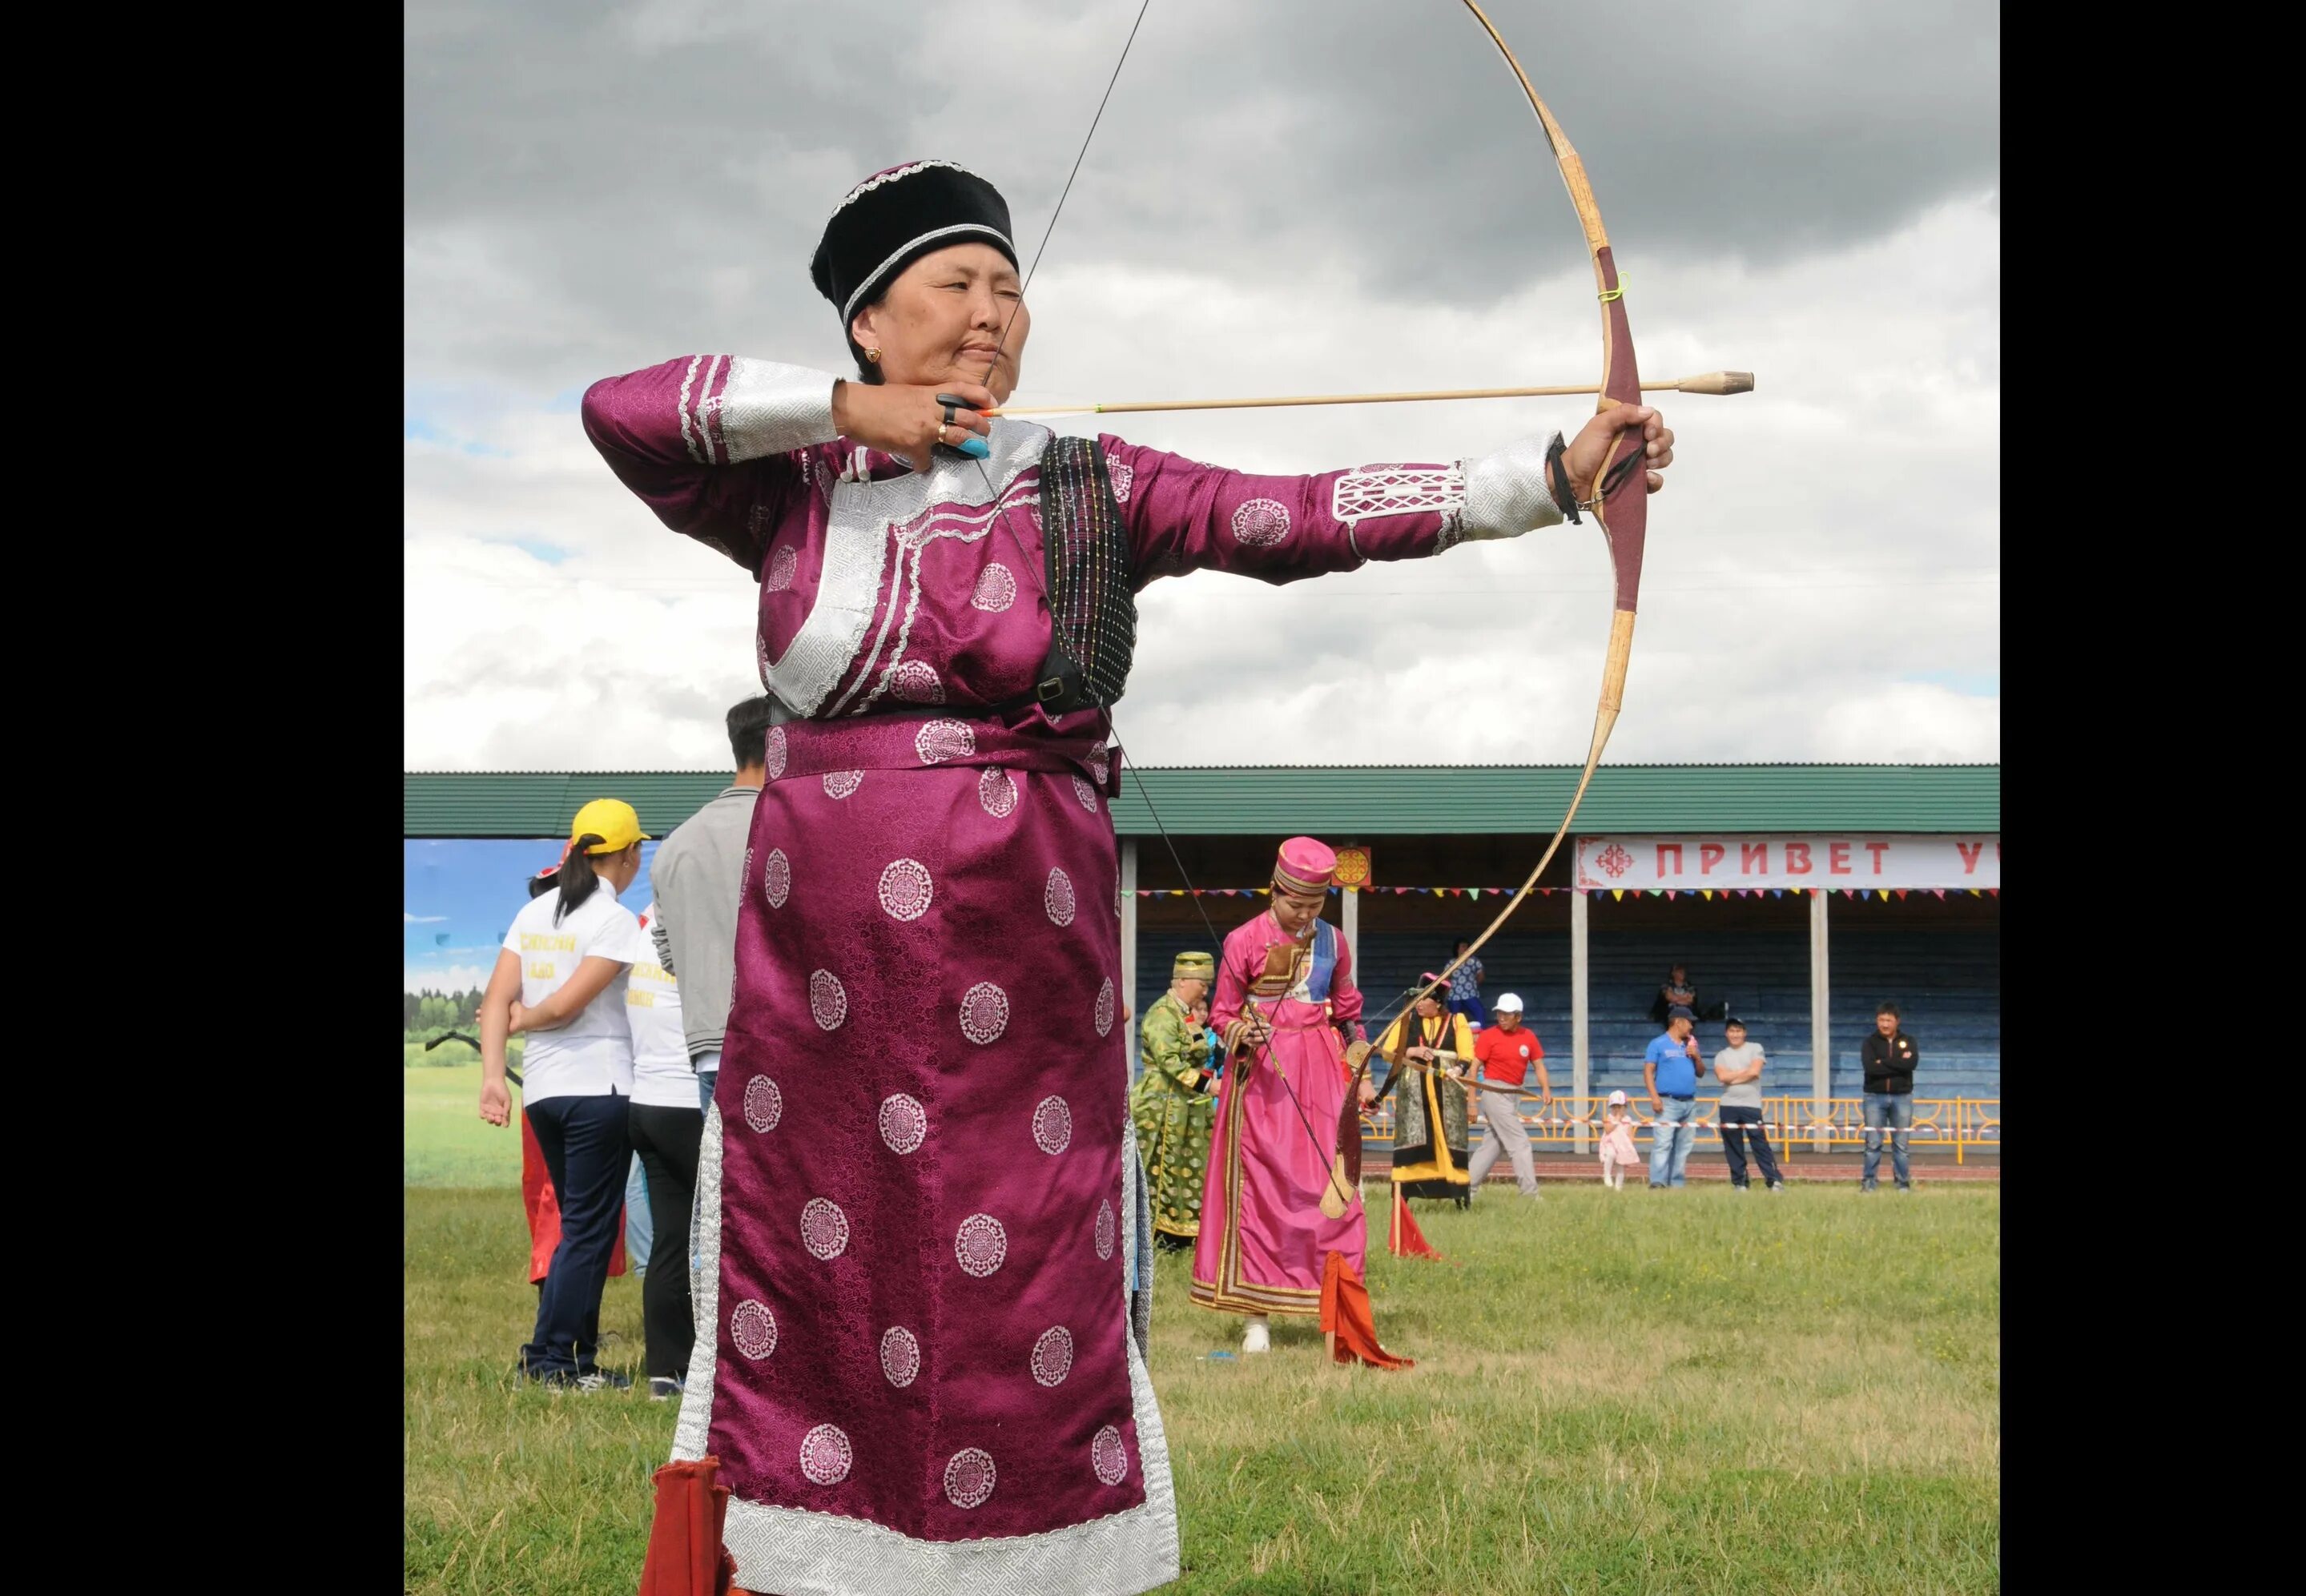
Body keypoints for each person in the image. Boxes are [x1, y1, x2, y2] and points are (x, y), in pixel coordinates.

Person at [584, 159, 1675, 1591]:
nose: (993, 314)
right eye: (954, 287)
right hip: (824, 994)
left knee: (1010, 1268)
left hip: (1015, 965)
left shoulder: (1088, 479)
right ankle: (815, 1560)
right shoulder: (787, 489)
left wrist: (1542, 479)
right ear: (865, 323)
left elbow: (1302, 511)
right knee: (830, 1264)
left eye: (1009, 287)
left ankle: (1030, 1560)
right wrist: (859, 417)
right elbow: (623, 410)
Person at [479, 799, 654, 1390]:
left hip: (545, 1094)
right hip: (598, 1088)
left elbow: (495, 1001)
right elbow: (563, 1004)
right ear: (628, 856)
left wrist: (492, 1076)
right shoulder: (613, 920)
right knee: (588, 1229)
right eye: (637, 852)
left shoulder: (533, 911)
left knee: (584, 1227)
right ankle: (553, 1359)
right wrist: (527, 1017)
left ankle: (570, 1358)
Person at [1194, 839, 1370, 1353]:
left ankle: (1339, 1308)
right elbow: (1222, 1014)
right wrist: (1238, 1033)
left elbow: (1346, 1009)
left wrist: (1359, 1046)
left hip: (1319, 1072)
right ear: (1276, 891)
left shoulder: (1334, 943)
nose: (1306, 915)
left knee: (1331, 1188)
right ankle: (1256, 1317)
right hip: (1263, 1076)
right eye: (1297, 905)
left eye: (1316, 907)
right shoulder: (1243, 939)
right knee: (1263, 1191)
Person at [646, 696, 771, 1116]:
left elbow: (670, 956)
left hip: (710, 1052)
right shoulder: (797, 829)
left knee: (721, 1181)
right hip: (783, 1047)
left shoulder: (673, 846)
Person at [629, 906, 706, 1400]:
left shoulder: (646, 925)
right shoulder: (698, 919)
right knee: (728, 1236)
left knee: (670, 1242)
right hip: (685, 1101)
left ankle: (666, 1370)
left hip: (646, 1101)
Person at [1133, 952, 1219, 1250]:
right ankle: (1151, 1235)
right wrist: (1209, 1085)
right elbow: (1169, 1061)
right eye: (1202, 984)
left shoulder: (1187, 1015)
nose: (1206, 991)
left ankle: (1183, 1234)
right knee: (1156, 1167)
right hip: (1160, 1105)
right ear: (1182, 981)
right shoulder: (1162, 1014)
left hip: (1188, 1107)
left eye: (1208, 985)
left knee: (1190, 1167)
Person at [1371, 975, 1477, 1208]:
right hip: (1414, 1095)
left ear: (1438, 1002)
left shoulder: (1457, 1020)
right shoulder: (1406, 1020)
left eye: (1424, 999)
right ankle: (1405, 1194)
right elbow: (1388, 1052)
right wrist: (1411, 1051)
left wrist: (1459, 1069)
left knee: (1449, 1139)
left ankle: (1458, 1193)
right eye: (1417, 999)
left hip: (1447, 1093)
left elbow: (1467, 1054)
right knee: (1414, 1137)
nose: (1418, 1003)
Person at [1467, 993, 1551, 1199]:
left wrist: (1546, 1089)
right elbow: (1474, 1068)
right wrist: (1472, 1102)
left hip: (1513, 1094)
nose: (1501, 1018)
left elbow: (1538, 1065)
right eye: (1499, 1013)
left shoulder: (1528, 1037)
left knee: (1492, 1146)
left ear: (1518, 1017)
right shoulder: (1488, 1036)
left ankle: (1466, 1187)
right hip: (1494, 1091)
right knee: (1520, 1143)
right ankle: (1530, 1194)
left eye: (1507, 1014)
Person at [1712, 1016, 1782, 1192]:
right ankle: (1740, 1181)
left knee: (1759, 1143)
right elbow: (1722, 1077)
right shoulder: (1721, 1055)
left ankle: (1773, 1180)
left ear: (1744, 1032)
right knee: (1733, 1145)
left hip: (1751, 1104)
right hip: (1728, 1105)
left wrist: (1733, 1077)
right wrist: (1744, 1072)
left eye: (1738, 1030)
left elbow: (1755, 1072)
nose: (1735, 1034)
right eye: (1731, 1031)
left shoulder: (1755, 1048)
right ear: (1726, 1033)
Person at [1643, 1006, 1705, 1188]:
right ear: (1677, 1022)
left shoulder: (1691, 1045)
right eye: (1689, 1022)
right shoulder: (1658, 1044)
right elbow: (1648, 1071)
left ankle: (1676, 1183)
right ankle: (1658, 1182)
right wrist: (1654, 1097)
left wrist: (1697, 1057)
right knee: (1663, 1143)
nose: (1691, 1027)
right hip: (1667, 1101)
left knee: (1683, 1146)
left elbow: (1701, 1073)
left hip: (1689, 1103)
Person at [1861, 1003, 1919, 1192]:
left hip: (1902, 1097)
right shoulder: (1869, 1042)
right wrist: (1897, 1063)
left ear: (1897, 1021)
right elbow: (1870, 1068)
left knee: (1901, 1144)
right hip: (1874, 1097)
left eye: (1888, 1020)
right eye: (1881, 1020)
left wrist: (1882, 1063)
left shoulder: (1909, 1041)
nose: (1884, 1024)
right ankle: (1869, 1183)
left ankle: (1902, 1183)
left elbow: (1910, 1064)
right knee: (1873, 1143)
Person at [1596, 1090, 1642, 1192]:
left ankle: (1618, 1188)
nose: (1617, 1109)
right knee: (1611, 1154)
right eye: (1614, 1107)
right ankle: (1606, 1174)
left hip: (1622, 1145)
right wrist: (1616, 1119)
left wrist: (1630, 1145)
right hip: (1611, 1143)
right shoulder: (1609, 1117)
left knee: (1621, 1167)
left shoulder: (1628, 1119)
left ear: (1625, 1107)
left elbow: (1630, 1133)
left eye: (1619, 1107)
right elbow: (1608, 1130)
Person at [1447, 939, 1491, 1027]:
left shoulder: (1474, 961)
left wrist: (1472, 985)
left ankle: (1481, 1034)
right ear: (1457, 949)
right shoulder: (1451, 963)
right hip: (1454, 995)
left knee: (1480, 1012)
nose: (1466, 948)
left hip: (1470, 994)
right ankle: (1454, 1037)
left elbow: (1481, 976)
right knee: (1454, 1019)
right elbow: (1445, 978)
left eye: (1467, 946)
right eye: (1463, 946)